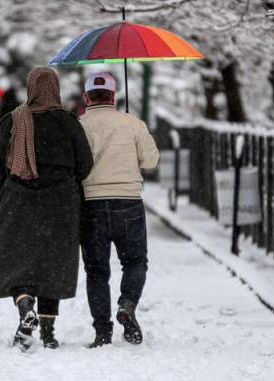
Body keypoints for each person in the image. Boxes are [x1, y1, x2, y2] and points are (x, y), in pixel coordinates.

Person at [0, 67, 93, 351]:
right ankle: (48, 330)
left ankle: (25, 306)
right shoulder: (69, 122)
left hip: (18, 201)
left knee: (17, 260)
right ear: (54, 88)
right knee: (53, 263)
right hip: (61, 203)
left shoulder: (13, 121)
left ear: (31, 88)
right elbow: (85, 165)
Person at [78, 72, 159, 348]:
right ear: (113, 96)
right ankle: (127, 303)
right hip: (128, 202)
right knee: (135, 262)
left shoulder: (79, 126)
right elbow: (151, 159)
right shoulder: (133, 123)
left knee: (96, 271)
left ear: (86, 97)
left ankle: (102, 332)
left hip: (91, 205)